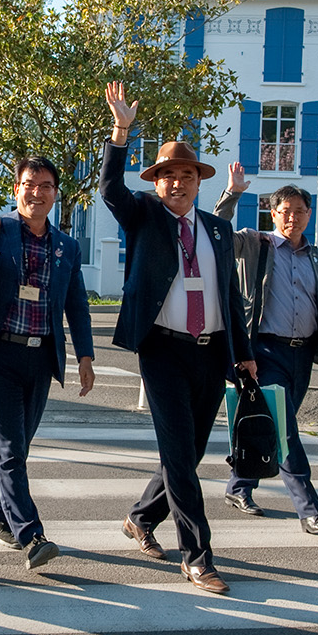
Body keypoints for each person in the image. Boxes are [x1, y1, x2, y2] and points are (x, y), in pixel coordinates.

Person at [99, 82, 254, 596]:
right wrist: (121, 132)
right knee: (178, 452)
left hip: (211, 354)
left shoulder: (215, 229)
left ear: (197, 182)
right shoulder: (143, 216)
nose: (178, 184)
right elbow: (110, 191)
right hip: (163, 349)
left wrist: (245, 356)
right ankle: (198, 556)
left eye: (187, 176)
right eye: (168, 176)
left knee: (184, 457)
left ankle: (140, 518)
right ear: (158, 182)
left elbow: (231, 298)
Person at [0, 115, 95, 572]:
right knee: (9, 448)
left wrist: (85, 356)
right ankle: (32, 535)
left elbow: (77, 304)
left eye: (46, 185)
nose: (37, 192)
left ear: (55, 192)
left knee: (18, 448)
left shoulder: (67, 246)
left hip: (41, 356)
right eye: (30, 184)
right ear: (17, 188)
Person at [213, 162, 318, 533]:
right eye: (285, 211)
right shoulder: (254, 243)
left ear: (309, 214)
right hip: (263, 353)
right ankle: (310, 510)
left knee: (274, 425)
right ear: (273, 214)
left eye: (299, 211)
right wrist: (233, 193)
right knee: (287, 429)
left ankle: (239, 485)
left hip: (303, 354)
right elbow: (217, 232)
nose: (292, 217)